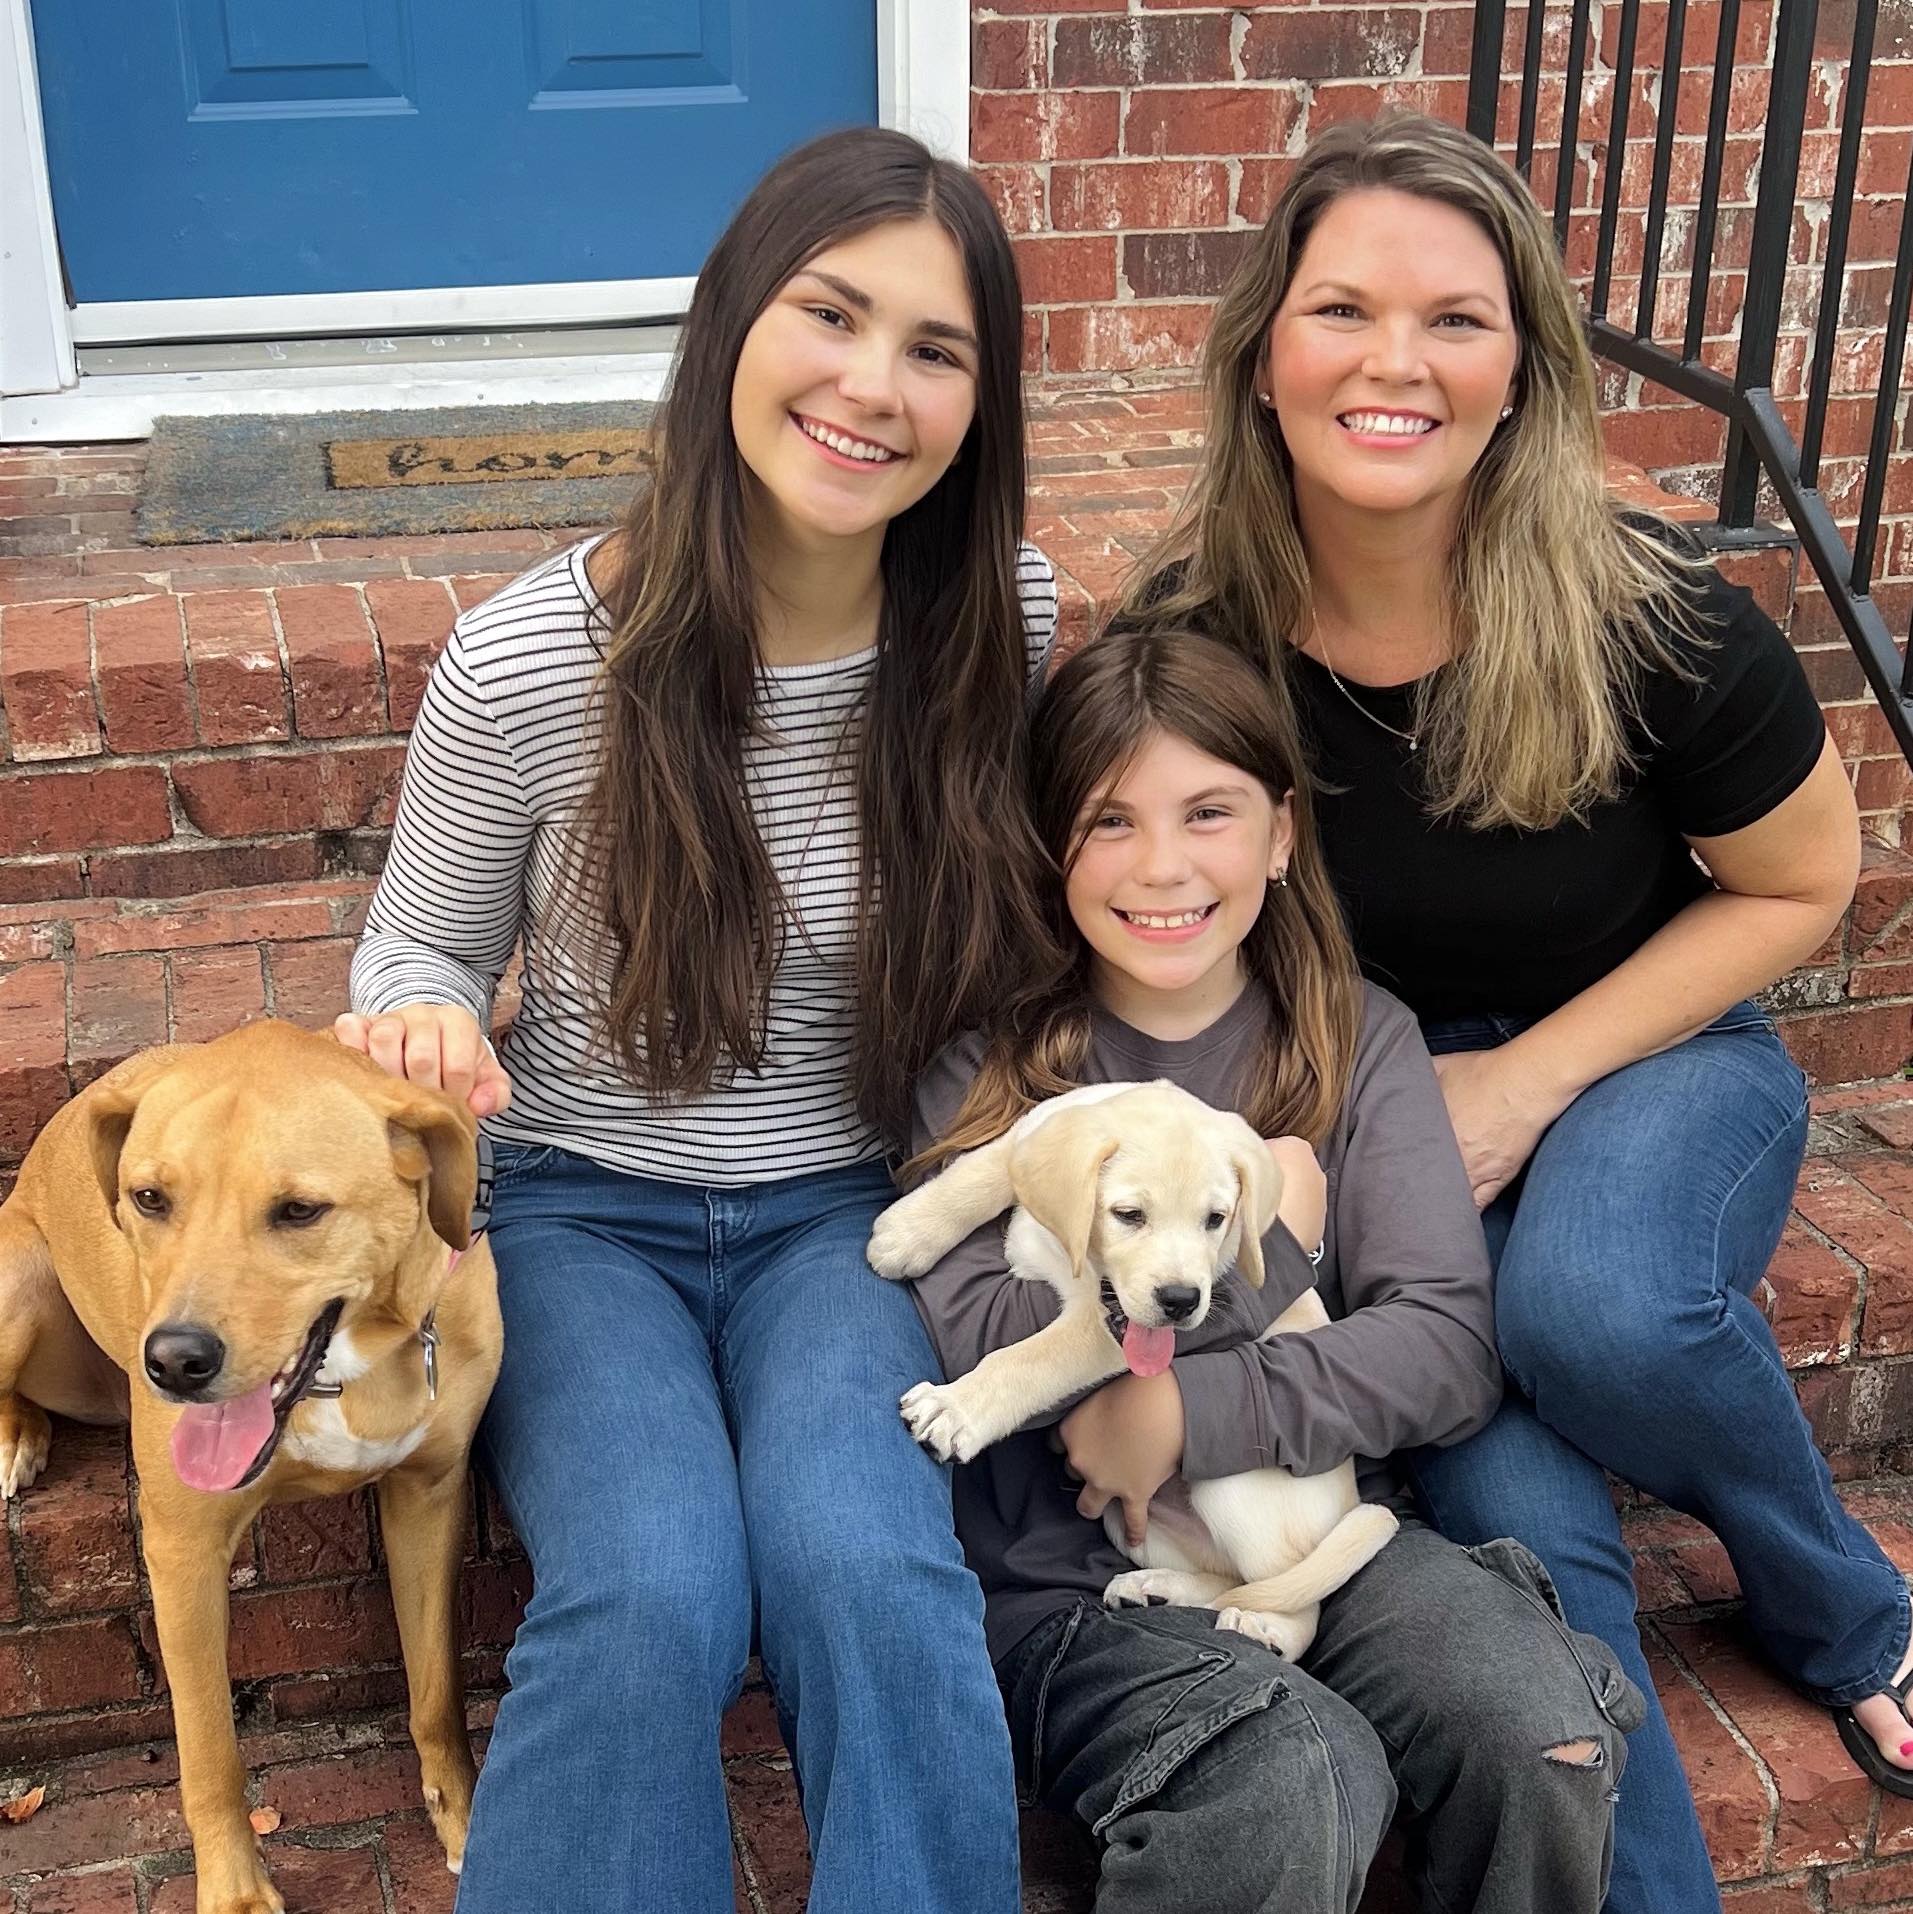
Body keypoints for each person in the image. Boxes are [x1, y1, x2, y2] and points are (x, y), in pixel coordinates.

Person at [1118, 111, 1886, 1914]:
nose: (1395, 362)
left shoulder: (1652, 617)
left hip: (1649, 1046)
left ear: (1524, 361)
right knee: (1531, 1524)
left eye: (1455, 318)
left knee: (1596, 1305)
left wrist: (1526, 1085)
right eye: (1343, 311)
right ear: (1263, 354)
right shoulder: (1191, 641)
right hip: (1368, 1106)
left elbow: (1802, 882)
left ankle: (1838, 1599)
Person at [334, 127, 1057, 1914]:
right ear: (732, 319)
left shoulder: (999, 626)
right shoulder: (527, 663)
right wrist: (423, 1026)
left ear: (981, 399)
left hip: (850, 1206)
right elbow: (410, 953)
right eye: (832, 312)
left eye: (935, 348)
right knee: (654, 1583)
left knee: (868, 1564)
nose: (869, 385)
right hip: (583, 1207)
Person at [905, 626, 1643, 1914]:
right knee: (1295, 1774)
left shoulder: (1357, 1045)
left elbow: (1442, 1349)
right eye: (1108, 822)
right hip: (1079, 1584)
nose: (1165, 866)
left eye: (1210, 813)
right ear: (1046, 845)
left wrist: (1187, 1409)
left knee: (1537, 1720)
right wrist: (1277, 1254)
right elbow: (986, 1340)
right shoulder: (993, 1081)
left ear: (1283, 834)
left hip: (1325, 1529)